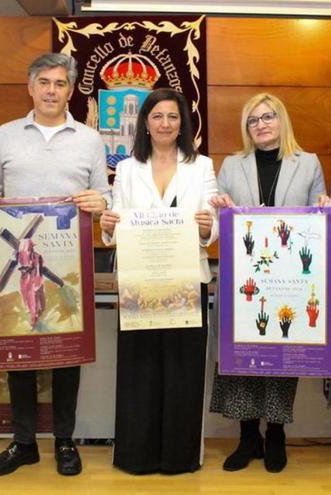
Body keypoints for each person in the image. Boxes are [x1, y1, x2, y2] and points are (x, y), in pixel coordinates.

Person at [0, 53, 109, 477]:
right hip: (18, 261)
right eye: (44, 82)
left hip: (68, 262)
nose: (51, 90)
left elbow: (104, 194)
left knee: (66, 353)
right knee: (18, 350)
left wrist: (102, 201)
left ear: (70, 90)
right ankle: (23, 442)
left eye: (60, 83)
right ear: (30, 86)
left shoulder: (90, 140)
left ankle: (63, 441)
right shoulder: (5, 135)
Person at [207, 93, 328, 473]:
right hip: (243, 281)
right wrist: (219, 207)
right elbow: (217, 222)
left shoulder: (307, 164)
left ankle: (275, 434)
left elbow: (319, 226)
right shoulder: (232, 165)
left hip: (287, 283)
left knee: (280, 356)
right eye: (253, 120)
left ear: (282, 120)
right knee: (242, 356)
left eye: (268, 117)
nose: (261, 125)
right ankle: (247, 438)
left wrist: (326, 208)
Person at [99, 88, 217, 474]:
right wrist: (107, 224)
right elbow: (116, 219)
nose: (165, 123)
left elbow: (212, 225)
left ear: (183, 123)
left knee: (183, 370)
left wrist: (206, 228)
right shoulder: (128, 168)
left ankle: (178, 457)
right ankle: (137, 455)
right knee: (140, 369)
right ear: (145, 123)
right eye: (157, 116)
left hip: (187, 280)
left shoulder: (202, 166)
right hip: (139, 283)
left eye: (173, 117)